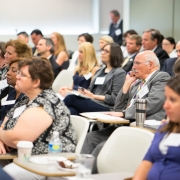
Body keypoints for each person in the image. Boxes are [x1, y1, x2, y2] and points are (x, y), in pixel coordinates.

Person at [81, 51, 170, 173]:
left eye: (137, 63)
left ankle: (86, 176)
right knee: (90, 137)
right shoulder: (137, 82)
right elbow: (118, 108)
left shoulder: (161, 77)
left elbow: (153, 103)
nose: (133, 67)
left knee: (103, 147)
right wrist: (126, 85)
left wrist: (123, 113)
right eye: (133, 63)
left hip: (144, 128)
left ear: (150, 65)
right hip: (126, 125)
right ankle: (77, 172)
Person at [1, 57, 76, 180]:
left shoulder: (46, 102)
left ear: (36, 82)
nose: (17, 77)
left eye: (22, 74)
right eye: (18, 73)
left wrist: (1, 134)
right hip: (22, 157)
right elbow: (5, 125)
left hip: (46, 162)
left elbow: (17, 139)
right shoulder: (26, 99)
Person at [133, 75, 180, 180]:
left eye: (172, 100)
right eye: (166, 98)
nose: (165, 106)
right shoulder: (164, 129)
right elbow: (146, 163)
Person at [63, 43, 126, 115]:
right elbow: (91, 89)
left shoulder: (119, 73)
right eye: (102, 50)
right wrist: (85, 93)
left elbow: (114, 98)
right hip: (92, 101)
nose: (102, 53)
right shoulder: (100, 71)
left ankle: (51, 117)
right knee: (71, 111)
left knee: (70, 98)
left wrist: (93, 96)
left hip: (105, 106)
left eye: (106, 51)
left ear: (114, 54)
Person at [0, 59, 24, 125]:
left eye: (13, 70)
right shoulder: (13, 92)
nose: (8, 73)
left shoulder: (26, 97)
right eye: (9, 69)